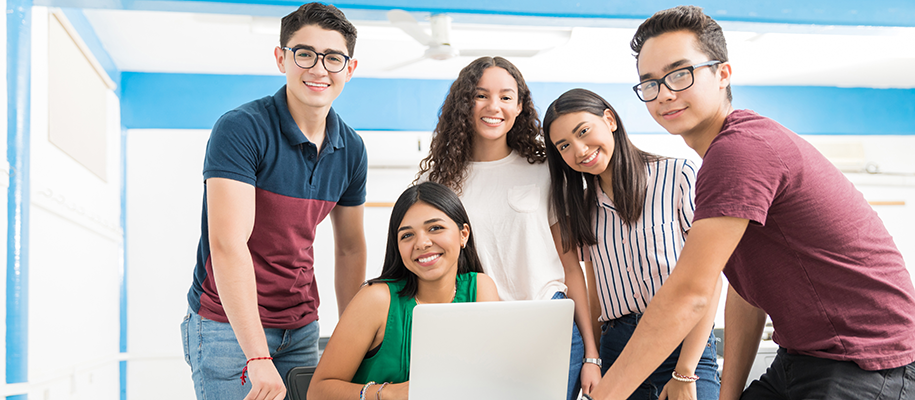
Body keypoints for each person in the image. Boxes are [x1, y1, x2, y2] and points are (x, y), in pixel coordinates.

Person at [586, 5, 915, 400]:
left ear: (722, 73)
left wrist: (603, 396)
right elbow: (745, 292)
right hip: (802, 357)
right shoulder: (725, 159)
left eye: (680, 74)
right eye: (650, 83)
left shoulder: (739, 150)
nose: (664, 93)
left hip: (865, 362)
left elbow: (690, 293)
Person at [181, 3, 368, 400]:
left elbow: (350, 248)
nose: (319, 69)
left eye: (333, 58)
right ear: (281, 58)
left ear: (349, 69)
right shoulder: (242, 128)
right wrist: (257, 356)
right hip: (227, 327)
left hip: (301, 326)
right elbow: (228, 245)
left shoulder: (352, 149)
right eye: (304, 54)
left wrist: (357, 337)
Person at [416, 56, 601, 400]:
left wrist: (592, 352)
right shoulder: (437, 182)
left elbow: (570, 264)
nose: (493, 106)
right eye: (481, 95)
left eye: (505, 97)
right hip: (476, 330)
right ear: (463, 103)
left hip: (551, 326)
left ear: (519, 107)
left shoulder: (545, 170)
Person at [542, 88, 720, 400]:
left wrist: (686, 370)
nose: (580, 150)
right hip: (618, 349)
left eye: (583, 131)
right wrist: (593, 358)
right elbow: (596, 288)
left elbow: (710, 279)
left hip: (682, 342)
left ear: (609, 119)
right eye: (564, 146)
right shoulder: (582, 206)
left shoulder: (677, 174)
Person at [308, 181, 500, 400]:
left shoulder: (480, 288)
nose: (422, 243)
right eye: (407, 235)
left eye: (435, 228)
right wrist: (386, 393)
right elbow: (317, 392)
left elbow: (489, 379)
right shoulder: (376, 300)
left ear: (463, 234)